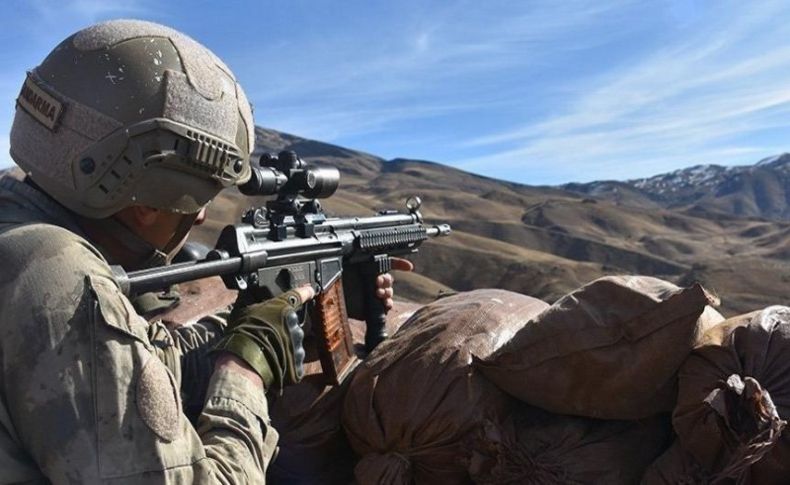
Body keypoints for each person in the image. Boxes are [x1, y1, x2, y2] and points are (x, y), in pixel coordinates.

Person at [0, 19, 409, 484]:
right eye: (199, 197)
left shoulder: (19, 235)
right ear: (149, 203)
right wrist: (244, 374)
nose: (199, 217)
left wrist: (250, 327)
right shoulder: (60, 280)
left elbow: (137, 364)